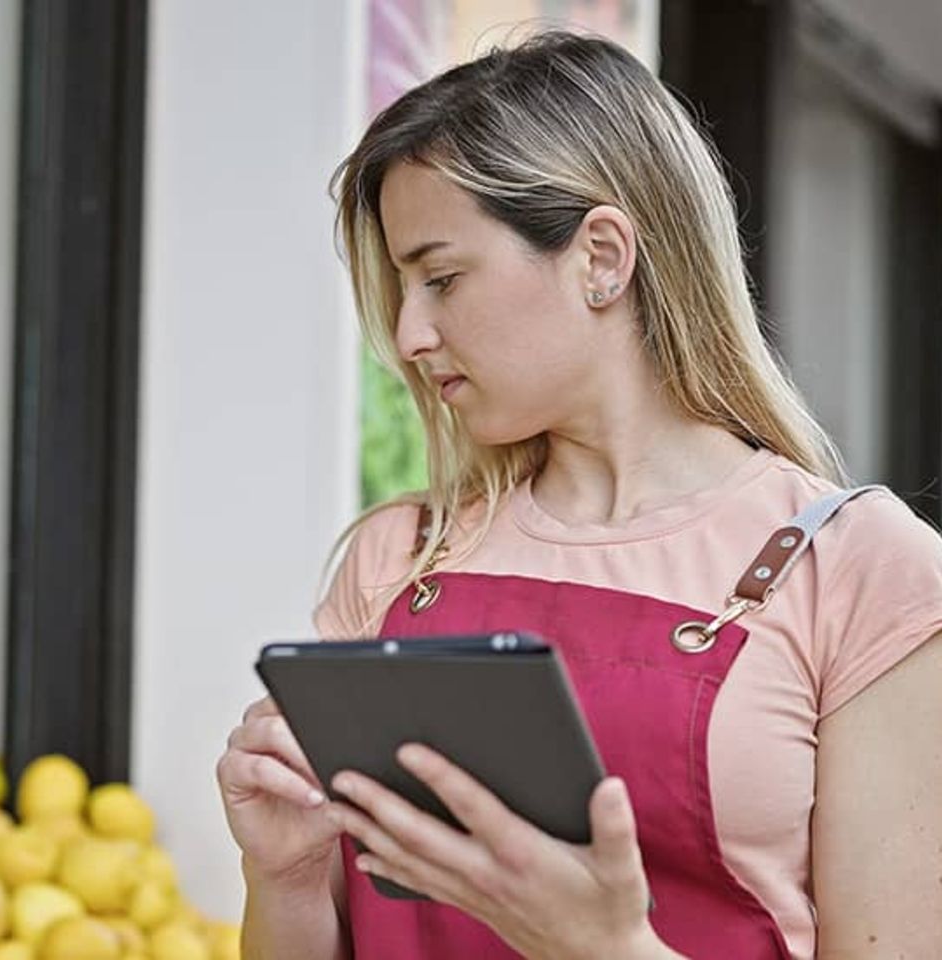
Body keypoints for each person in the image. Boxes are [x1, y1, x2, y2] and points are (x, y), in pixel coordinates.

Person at [215, 29, 942, 960]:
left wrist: (600, 946)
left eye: (440, 279)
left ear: (601, 256)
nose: (408, 334)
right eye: (401, 290)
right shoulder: (401, 560)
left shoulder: (861, 573)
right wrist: (280, 877)